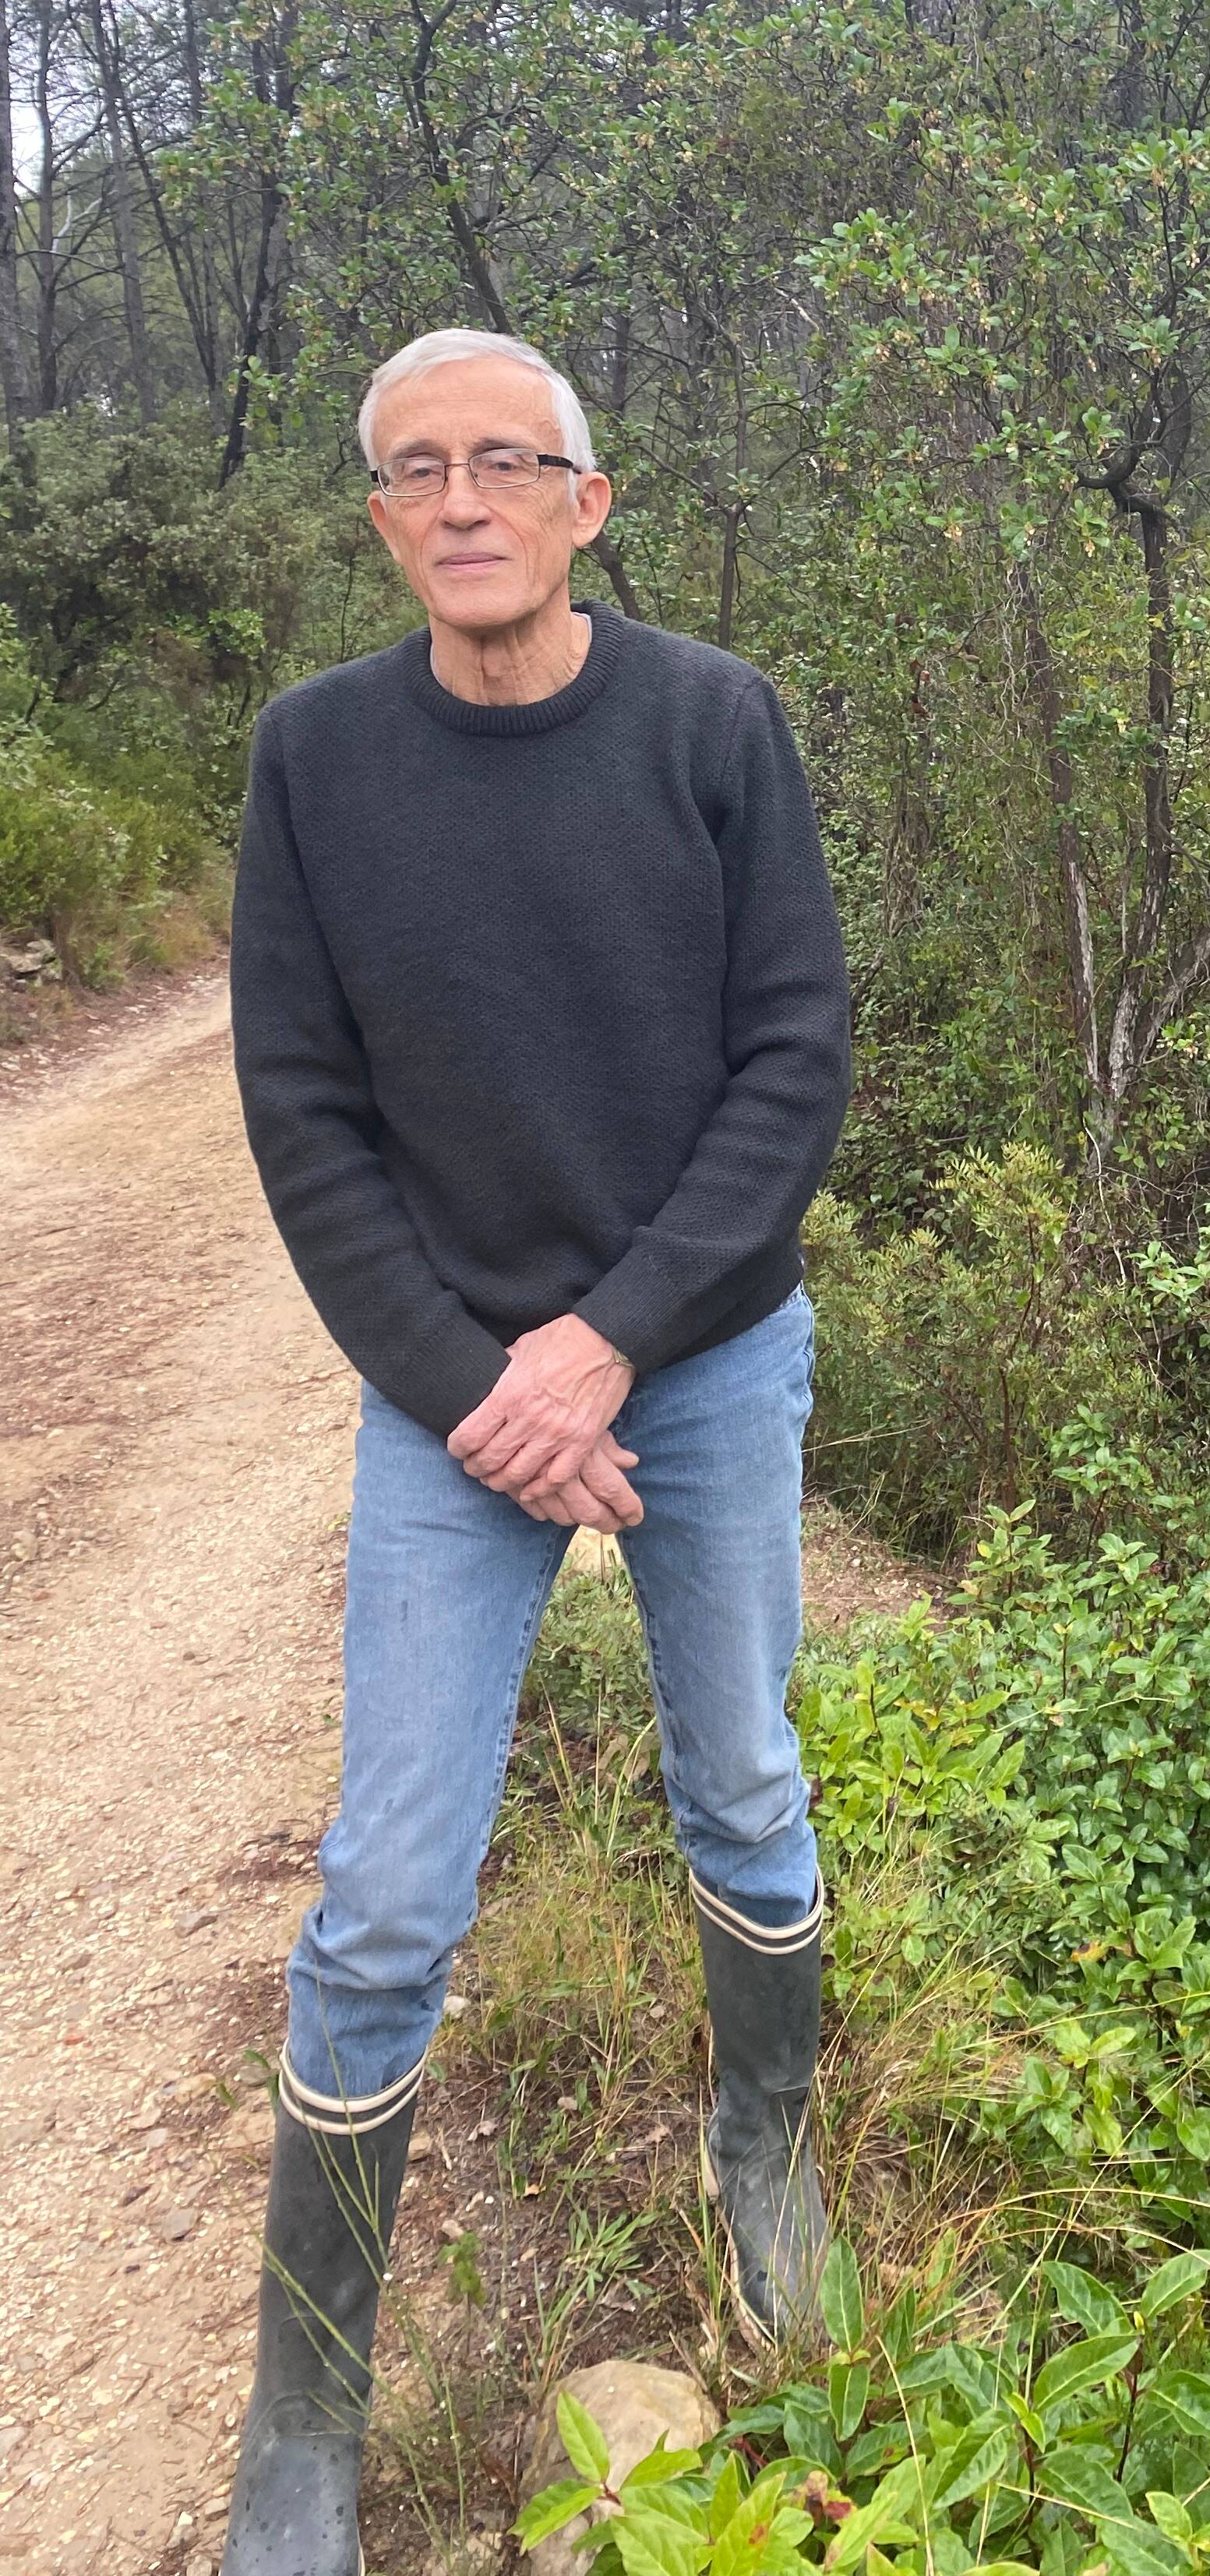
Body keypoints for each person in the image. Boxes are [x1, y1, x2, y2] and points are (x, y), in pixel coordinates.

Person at [219, 327, 852, 2574]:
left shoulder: (711, 726)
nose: (463, 498)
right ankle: (306, 2413)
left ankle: (759, 2152)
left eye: (508, 462)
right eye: (417, 470)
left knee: (748, 1778)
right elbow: (300, 1109)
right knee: (387, 1892)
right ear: (381, 517)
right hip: (444, 1390)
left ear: (591, 501)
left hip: (696, 1354)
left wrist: (606, 1344)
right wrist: (485, 1383)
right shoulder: (315, 762)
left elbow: (792, 1062)